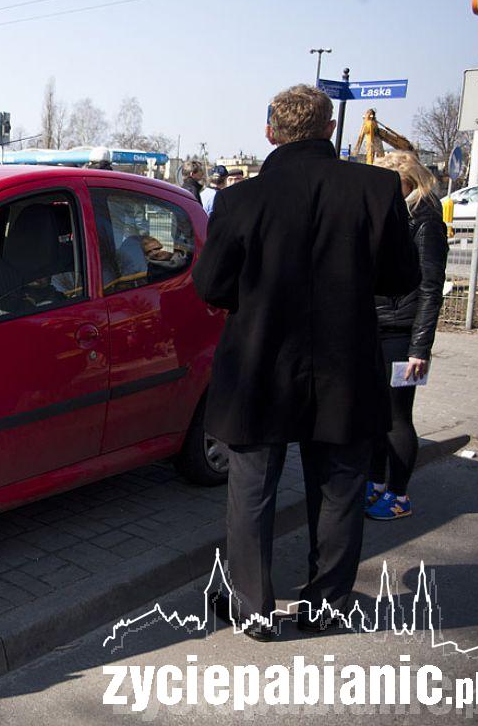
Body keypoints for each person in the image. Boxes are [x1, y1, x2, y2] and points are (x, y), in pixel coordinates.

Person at [192, 84, 418, 640]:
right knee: (340, 486)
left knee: (252, 487)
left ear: (270, 131)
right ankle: (326, 606)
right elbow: (400, 280)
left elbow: (210, 285)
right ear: (330, 130)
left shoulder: (240, 199)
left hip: (258, 363)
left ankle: (253, 608)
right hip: (344, 363)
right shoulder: (377, 186)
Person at [367, 152, 449, 520]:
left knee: (398, 416)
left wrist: (420, 348)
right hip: (375, 328)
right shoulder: (388, 215)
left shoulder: (425, 220)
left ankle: (399, 496)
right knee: (374, 414)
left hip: (402, 336)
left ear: (408, 182)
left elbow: (431, 289)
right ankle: (376, 482)